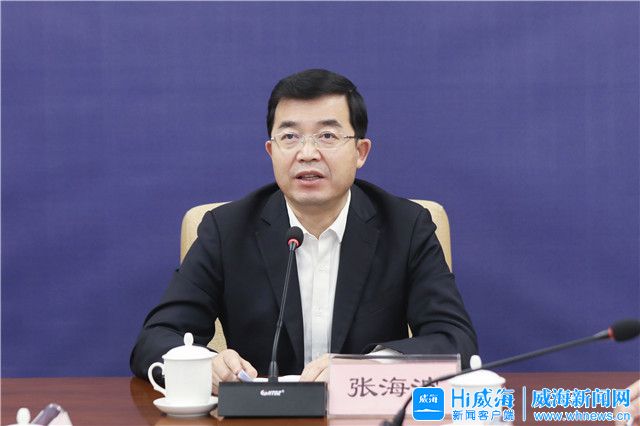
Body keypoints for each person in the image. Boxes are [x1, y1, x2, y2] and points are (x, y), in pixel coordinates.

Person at [130, 69, 478, 394]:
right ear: (271, 151)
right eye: (290, 137)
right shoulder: (227, 229)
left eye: (327, 136)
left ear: (360, 152)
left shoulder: (406, 226)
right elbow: (156, 338)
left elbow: (456, 341)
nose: (307, 153)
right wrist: (203, 367)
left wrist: (367, 369)